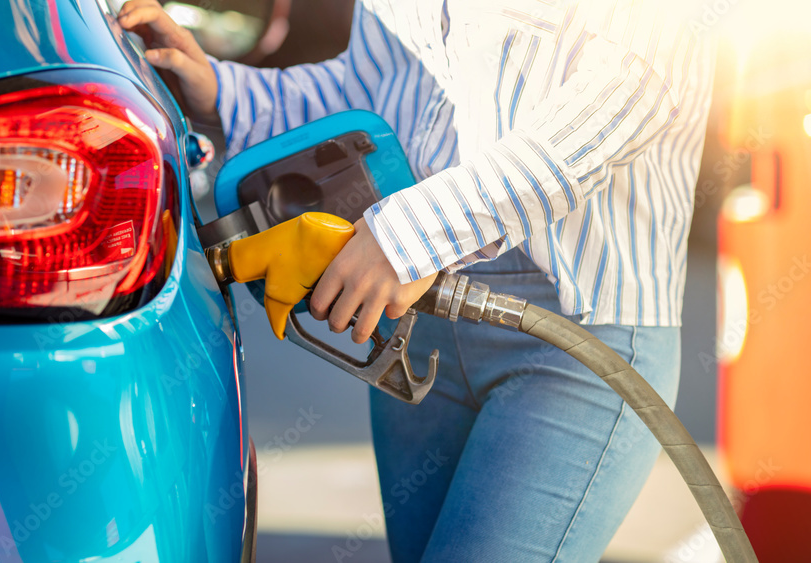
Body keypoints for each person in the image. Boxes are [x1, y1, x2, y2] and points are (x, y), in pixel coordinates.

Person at [119, 0, 715, 560]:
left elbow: (629, 95)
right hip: (423, 318)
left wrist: (413, 235)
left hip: (575, 332)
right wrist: (224, 90)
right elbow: (371, 89)